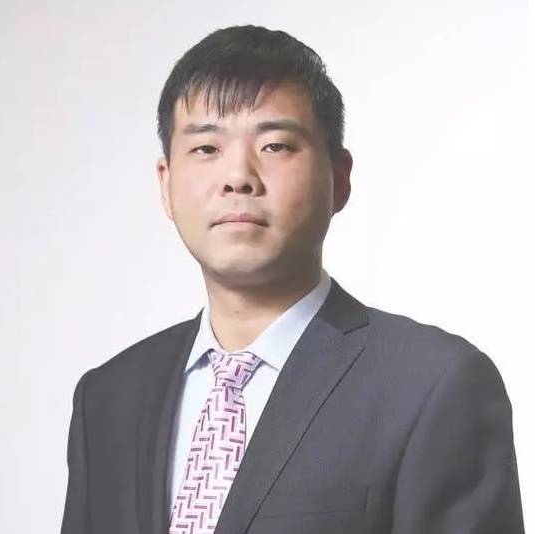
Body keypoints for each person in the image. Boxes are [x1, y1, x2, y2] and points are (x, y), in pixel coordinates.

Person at [60, 24, 524, 534]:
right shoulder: (108, 398)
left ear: (339, 179)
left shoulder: (432, 384)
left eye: (276, 145)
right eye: (206, 149)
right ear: (166, 185)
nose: (238, 177)